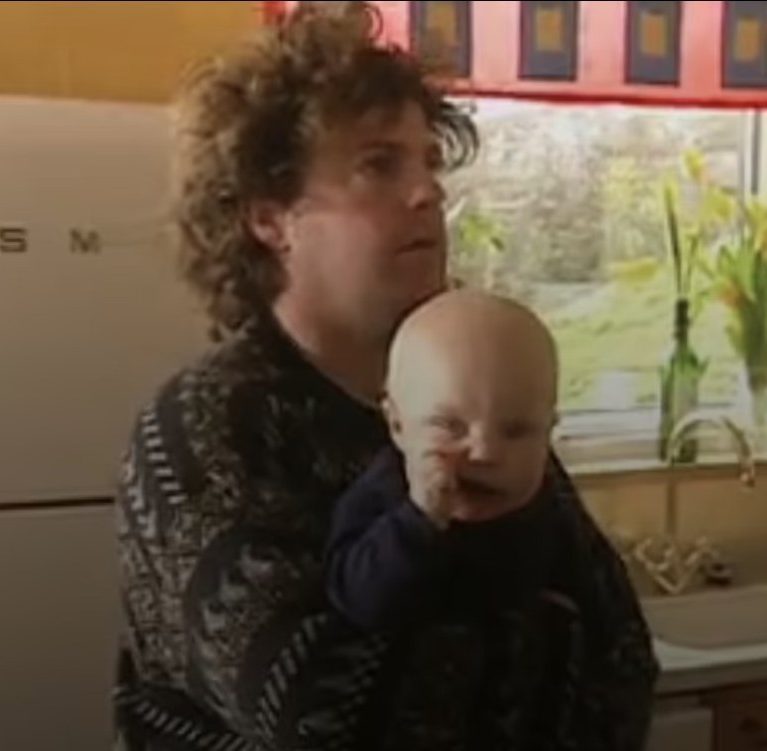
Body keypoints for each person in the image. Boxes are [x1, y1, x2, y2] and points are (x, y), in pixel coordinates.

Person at [113, 3, 658, 751]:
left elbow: (623, 656)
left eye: (429, 160)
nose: (429, 190)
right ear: (271, 217)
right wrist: (536, 638)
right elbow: (319, 719)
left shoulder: (467, 388)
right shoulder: (205, 424)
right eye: (379, 163)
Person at [325, 289, 571, 633]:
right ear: (397, 425)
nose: (485, 453)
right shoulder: (383, 494)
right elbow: (361, 604)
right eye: (449, 427)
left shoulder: (551, 504)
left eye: (517, 431)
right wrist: (418, 521)